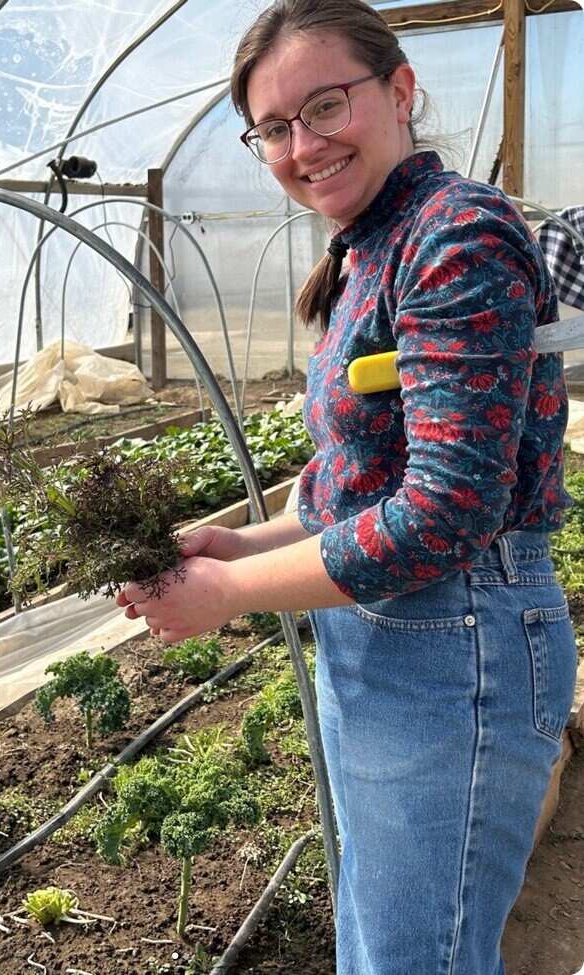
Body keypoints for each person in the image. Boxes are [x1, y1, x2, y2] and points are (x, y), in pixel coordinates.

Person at [117, 2, 578, 972]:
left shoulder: (458, 237)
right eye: (274, 130)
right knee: (385, 945)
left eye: (325, 107)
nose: (301, 146)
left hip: (458, 653)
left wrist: (227, 596)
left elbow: (444, 515)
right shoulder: (371, 239)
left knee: (420, 957)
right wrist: (242, 546)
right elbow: (354, 481)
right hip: (390, 643)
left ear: (400, 91)